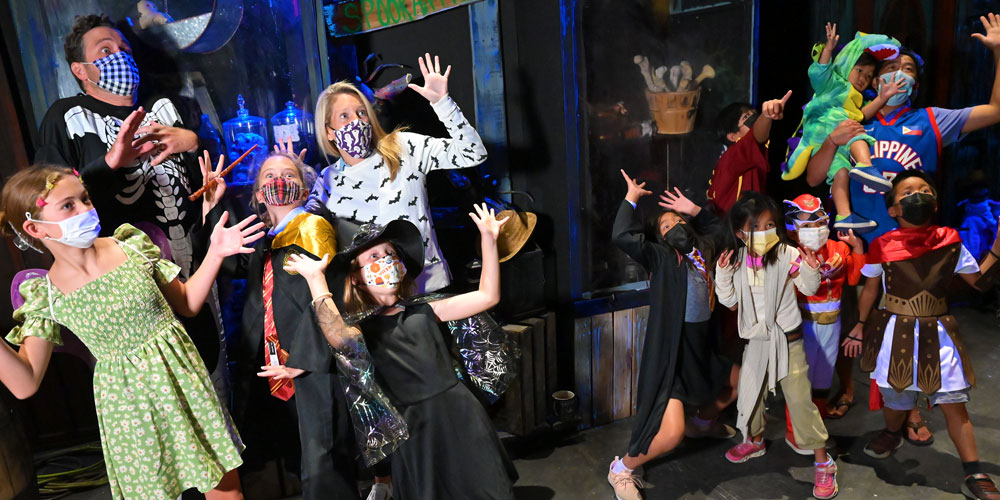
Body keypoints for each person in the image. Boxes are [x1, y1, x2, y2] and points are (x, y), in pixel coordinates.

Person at [0, 165, 262, 500]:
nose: (86, 209)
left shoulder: (131, 245)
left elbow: (187, 303)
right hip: (129, 408)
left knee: (226, 492)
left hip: (184, 386)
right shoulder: (45, 294)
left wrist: (216, 253)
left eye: (85, 198)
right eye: (68, 206)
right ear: (35, 227)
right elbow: (25, 384)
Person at [806, 11, 1000, 445]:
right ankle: (850, 389)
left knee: (908, 331)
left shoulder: (930, 120)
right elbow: (817, 177)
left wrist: (999, 53)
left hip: (912, 249)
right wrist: (835, 140)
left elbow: (996, 110)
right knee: (852, 323)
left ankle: (908, 410)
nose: (899, 77)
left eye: (908, 70)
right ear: (873, 80)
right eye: (890, 69)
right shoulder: (856, 119)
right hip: (859, 241)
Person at [35, 14, 232, 394]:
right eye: (105, 50)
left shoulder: (165, 109)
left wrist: (193, 141)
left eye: (124, 49)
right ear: (80, 69)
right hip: (122, 286)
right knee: (151, 393)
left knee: (212, 378)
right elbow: (48, 198)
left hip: (192, 261)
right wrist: (112, 162)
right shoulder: (66, 116)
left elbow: (209, 171)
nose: (119, 56)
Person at [284, 205, 517, 500]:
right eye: (374, 256)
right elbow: (339, 337)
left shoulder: (425, 309)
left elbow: (488, 296)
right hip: (414, 430)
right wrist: (316, 281)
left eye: (391, 254)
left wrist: (488, 239)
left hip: (460, 415)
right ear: (355, 277)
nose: (386, 261)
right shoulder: (362, 330)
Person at [198, 151, 362, 500]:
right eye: (269, 176)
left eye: (289, 175)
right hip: (266, 362)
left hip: (304, 362)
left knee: (320, 455)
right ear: (257, 194)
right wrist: (213, 205)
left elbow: (325, 295)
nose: (278, 181)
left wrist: (303, 358)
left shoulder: (313, 227)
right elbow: (230, 266)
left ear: (304, 190)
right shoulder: (264, 239)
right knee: (276, 453)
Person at [843, 170, 1000, 500]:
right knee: (895, 397)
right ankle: (891, 431)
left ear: (935, 202)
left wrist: (998, 248)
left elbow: (980, 282)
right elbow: (871, 289)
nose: (919, 194)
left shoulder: (950, 242)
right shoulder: (882, 246)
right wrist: (859, 325)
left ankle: (974, 471)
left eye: (925, 189)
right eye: (909, 191)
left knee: (954, 403)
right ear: (893, 210)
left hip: (939, 335)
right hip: (893, 334)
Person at [307, 53, 488, 293]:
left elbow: (473, 153)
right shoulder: (327, 180)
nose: (356, 121)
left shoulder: (404, 148)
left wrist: (443, 104)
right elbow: (303, 225)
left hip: (427, 288)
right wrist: (293, 175)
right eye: (344, 116)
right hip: (373, 300)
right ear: (329, 131)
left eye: (361, 113)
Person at [607, 172, 732, 500]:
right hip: (674, 354)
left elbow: (722, 230)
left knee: (740, 381)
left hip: (703, 346)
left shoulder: (704, 249)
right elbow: (621, 234)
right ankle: (623, 469)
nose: (672, 227)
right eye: (664, 227)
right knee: (671, 434)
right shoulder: (661, 259)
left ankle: (702, 424)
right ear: (659, 239)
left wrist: (693, 209)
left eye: (676, 221)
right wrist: (631, 197)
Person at [713, 192, 838, 499]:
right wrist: (723, 273)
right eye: (756, 226)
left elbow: (808, 288)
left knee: (799, 402)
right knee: (750, 395)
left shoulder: (788, 254)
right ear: (741, 232)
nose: (765, 231)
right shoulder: (738, 259)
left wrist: (811, 268)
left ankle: (823, 462)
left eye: (770, 224)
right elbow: (729, 303)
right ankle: (754, 440)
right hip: (756, 341)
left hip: (788, 340)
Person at [781, 24, 902, 232]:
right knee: (855, 131)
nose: (863, 78)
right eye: (860, 71)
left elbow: (863, 113)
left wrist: (882, 98)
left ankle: (844, 215)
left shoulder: (856, 100)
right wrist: (828, 50)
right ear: (846, 64)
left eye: (868, 75)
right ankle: (865, 165)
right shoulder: (834, 83)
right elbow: (819, 74)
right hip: (825, 128)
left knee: (841, 171)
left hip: (830, 145)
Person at [782, 194, 863, 448]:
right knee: (799, 381)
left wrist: (857, 248)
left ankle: (816, 423)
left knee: (823, 379)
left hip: (833, 324)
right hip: (802, 325)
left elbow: (853, 279)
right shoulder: (789, 255)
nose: (815, 230)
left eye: (819, 223)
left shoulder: (839, 249)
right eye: (806, 226)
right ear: (793, 232)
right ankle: (795, 433)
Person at [705, 91, 792, 215]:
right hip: (733, 230)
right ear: (733, 136)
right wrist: (766, 115)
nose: (755, 120)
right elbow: (755, 136)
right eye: (746, 117)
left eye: (754, 114)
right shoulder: (733, 156)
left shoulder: (747, 158)